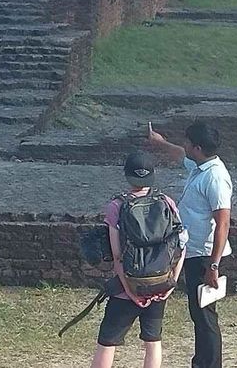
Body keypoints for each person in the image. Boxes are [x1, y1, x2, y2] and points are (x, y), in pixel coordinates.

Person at [91, 150, 187, 368]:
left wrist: (130, 290)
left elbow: (117, 255)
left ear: (127, 176)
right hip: (159, 284)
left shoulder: (117, 206)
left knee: (107, 342)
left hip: (128, 289)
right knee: (153, 342)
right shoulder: (167, 202)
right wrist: (170, 283)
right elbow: (181, 246)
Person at [148, 121, 232, 368]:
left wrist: (213, 266)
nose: (184, 145)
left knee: (205, 316)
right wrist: (160, 143)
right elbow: (179, 154)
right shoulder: (200, 166)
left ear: (197, 147)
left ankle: (209, 364)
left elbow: (223, 224)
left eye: (187, 142)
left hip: (205, 255)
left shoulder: (215, 177)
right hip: (193, 251)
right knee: (199, 314)